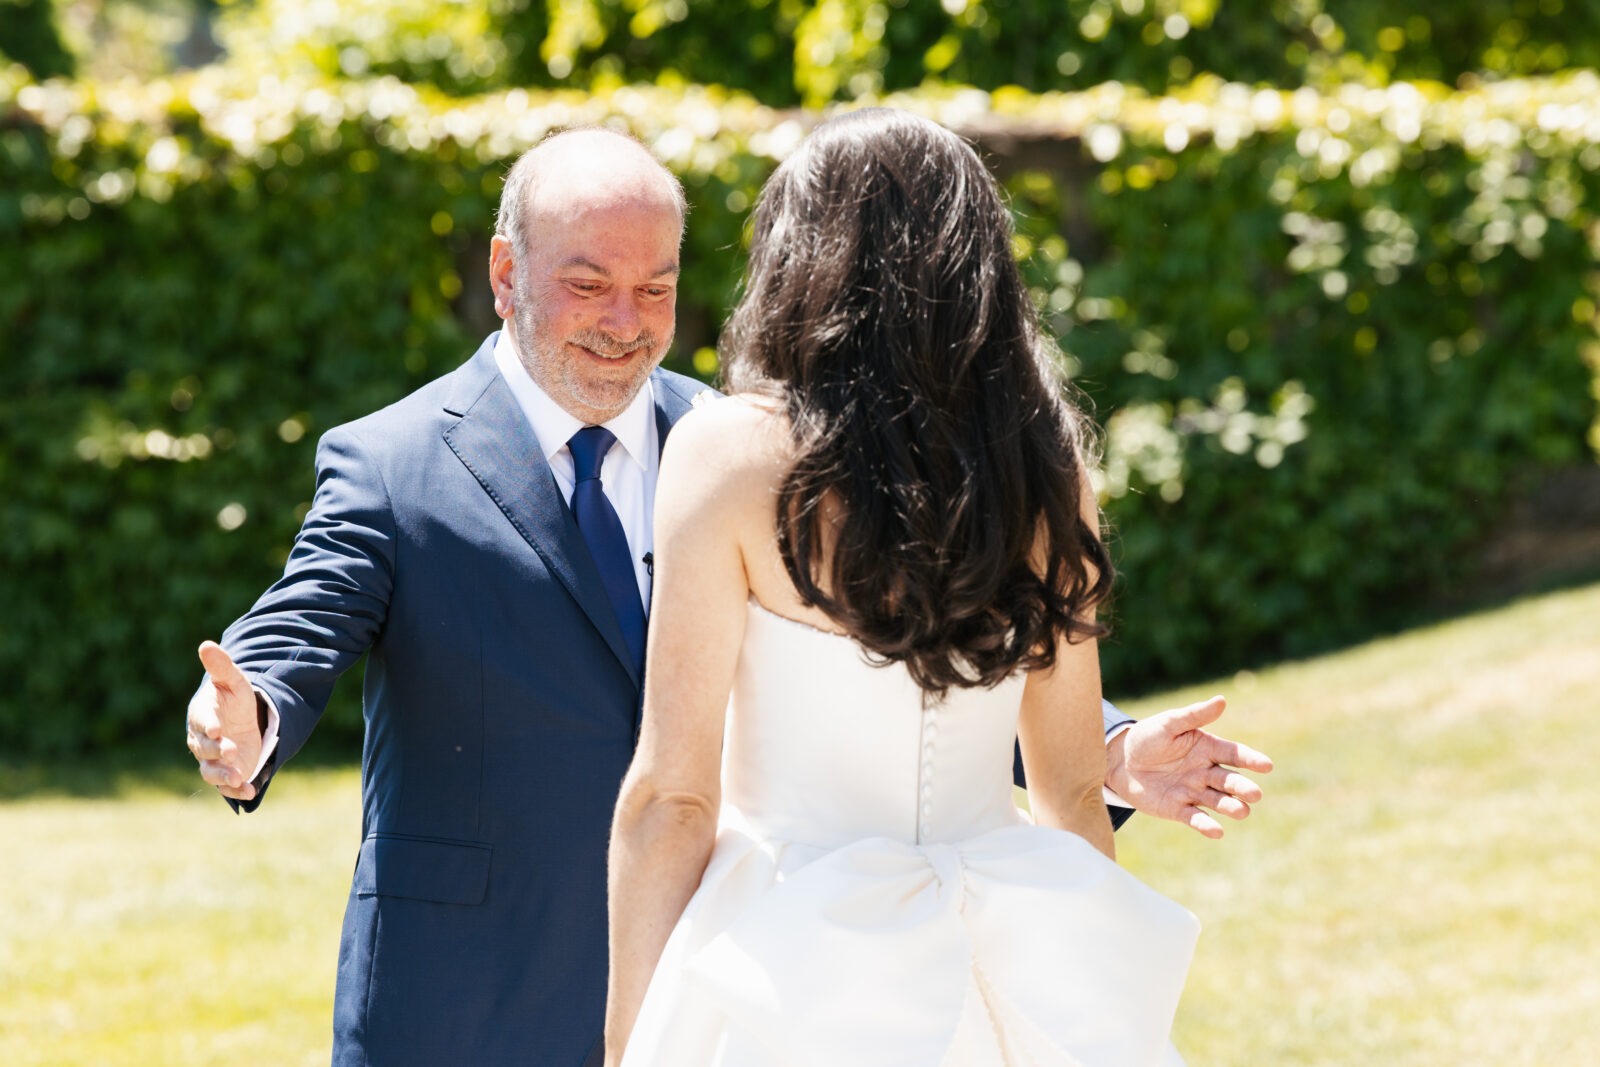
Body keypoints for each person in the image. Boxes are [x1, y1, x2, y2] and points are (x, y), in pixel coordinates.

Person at [185, 126, 1270, 1066]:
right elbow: (305, 616)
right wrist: (253, 708)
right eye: (589, 283)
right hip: (485, 979)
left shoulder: (736, 441)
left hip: (752, 967)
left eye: (657, 286)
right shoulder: (393, 457)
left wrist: (1107, 745)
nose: (628, 318)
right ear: (506, 272)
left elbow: (895, 646)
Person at [605, 109, 1215, 1066]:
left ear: (800, 256)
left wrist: (628, 1043)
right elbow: (1071, 791)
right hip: (1008, 942)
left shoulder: (728, 454)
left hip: (790, 954)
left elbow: (672, 799)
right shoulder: (1050, 474)